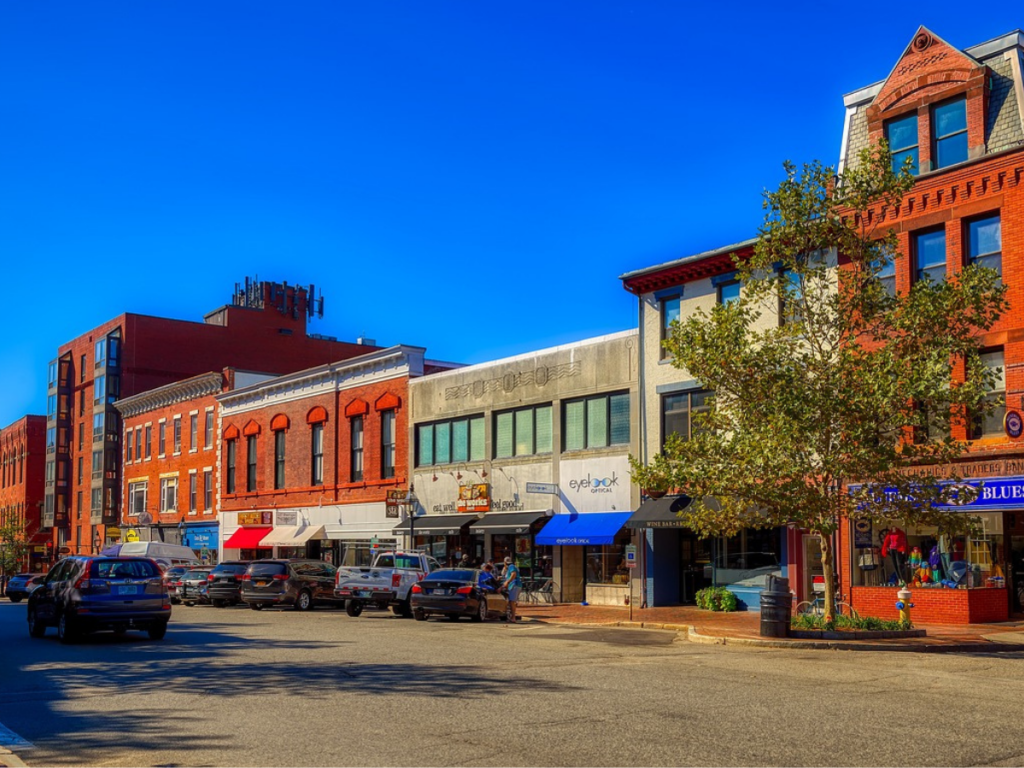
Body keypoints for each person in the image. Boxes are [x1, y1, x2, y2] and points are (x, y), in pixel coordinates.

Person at [502, 556, 522, 623]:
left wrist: (507, 582)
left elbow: (514, 574)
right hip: (515, 585)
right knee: (512, 602)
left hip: (514, 585)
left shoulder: (511, 566)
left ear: (505, 562)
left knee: (512, 602)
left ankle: (513, 618)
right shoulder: (511, 567)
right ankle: (512, 617)